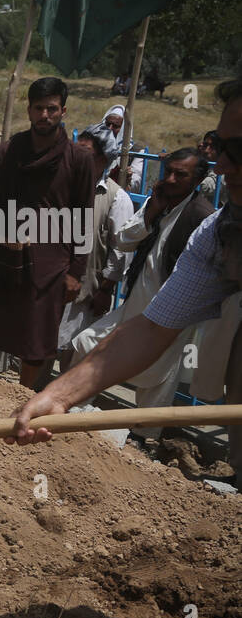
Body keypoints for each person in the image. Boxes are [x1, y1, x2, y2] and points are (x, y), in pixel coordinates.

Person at [10, 78, 242, 483]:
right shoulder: (220, 233)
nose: (223, 165)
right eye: (221, 149)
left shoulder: (198, 215)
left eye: (237, 150)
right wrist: (57, 397)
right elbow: (153, 327)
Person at [0, 76, 96, 388]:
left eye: (52, 109)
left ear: (63, 111)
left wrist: (75, 272)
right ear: (28, 110)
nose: (45, 115)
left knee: (36, 343)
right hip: (3, 258)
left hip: (50, 265)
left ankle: (22, 400)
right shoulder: (7, 152)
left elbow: (83, 217)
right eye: (39, 108)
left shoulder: (78, 159)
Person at [66, 148, 215, 430]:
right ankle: (77, 408)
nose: (170, 179)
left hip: (172, 313)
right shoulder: (158, 202)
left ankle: (144, 440)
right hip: (135, 304)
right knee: (87, 342)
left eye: (179, 175)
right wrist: (151, 213)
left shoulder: (202, 217)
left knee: (158, 375)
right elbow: (122, 240)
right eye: (167, 171)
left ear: (196, 180)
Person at [52, 128, 135, 370]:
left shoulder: (116, 199)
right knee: (41, 345)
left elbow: (120, 250)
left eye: (83, 152)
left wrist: (106, 289)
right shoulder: (63, 185)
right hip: (50, 280)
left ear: (102, 158)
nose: (74, 155)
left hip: (83, 289)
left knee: (71, 350)